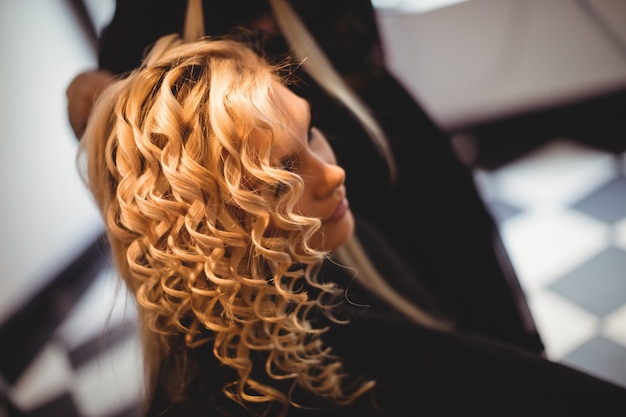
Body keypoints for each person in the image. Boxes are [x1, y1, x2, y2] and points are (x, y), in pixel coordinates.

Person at [77, 15, 626, 417]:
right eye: (285, 170)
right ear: (208, 220)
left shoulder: (330, 270)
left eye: (310, 131)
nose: (334, 174)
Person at [68, 0, 544, 357]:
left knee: (471, 301)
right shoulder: (152, 17)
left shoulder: (339, 150)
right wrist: (89, 92)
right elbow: (110, 106)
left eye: (310, 128)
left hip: (391, 152)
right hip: (292, 222)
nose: (336, 174)